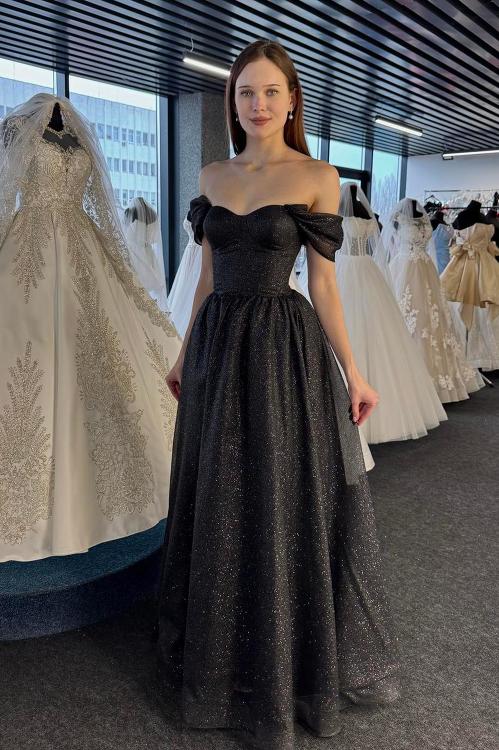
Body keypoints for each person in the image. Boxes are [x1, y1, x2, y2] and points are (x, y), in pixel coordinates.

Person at [156, 40, 400, 750]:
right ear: (230, 101)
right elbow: (206, 279)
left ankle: (283, 663)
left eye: (270, 92)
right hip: (216, 349)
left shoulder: (317, 177)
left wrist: (353, 372)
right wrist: (183, 354)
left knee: (277, 496)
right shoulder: (212, 174)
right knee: (219, 493)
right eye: (245, 92)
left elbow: (323, 286)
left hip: (282, 350)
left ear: (292, 100)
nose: (257, 105)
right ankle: (221, 660)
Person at [0, 94, 181, 561]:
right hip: (30, 249)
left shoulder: (80, 133)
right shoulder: (15, 129)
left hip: (84, 246)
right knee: (30, 354)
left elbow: (100, 198)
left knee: (103, 357)